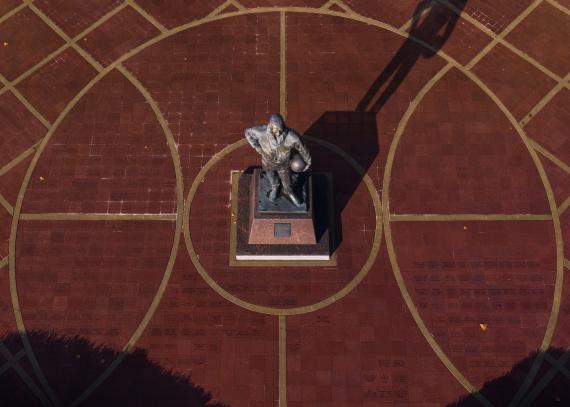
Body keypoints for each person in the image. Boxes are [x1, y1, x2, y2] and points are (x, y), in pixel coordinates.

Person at [244, 114, 311, 206]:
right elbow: (248, 132)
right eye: (276, 129)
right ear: (270, 125)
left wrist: (308, 161)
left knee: (287, 183)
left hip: (284, 165)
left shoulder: (291, 136)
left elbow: (302, 148)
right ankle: (275, 188)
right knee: (272, 179)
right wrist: (258, 147)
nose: (278, 132)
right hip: (268, 163)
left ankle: (288, 191)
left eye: (280, 129)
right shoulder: (261, 132)